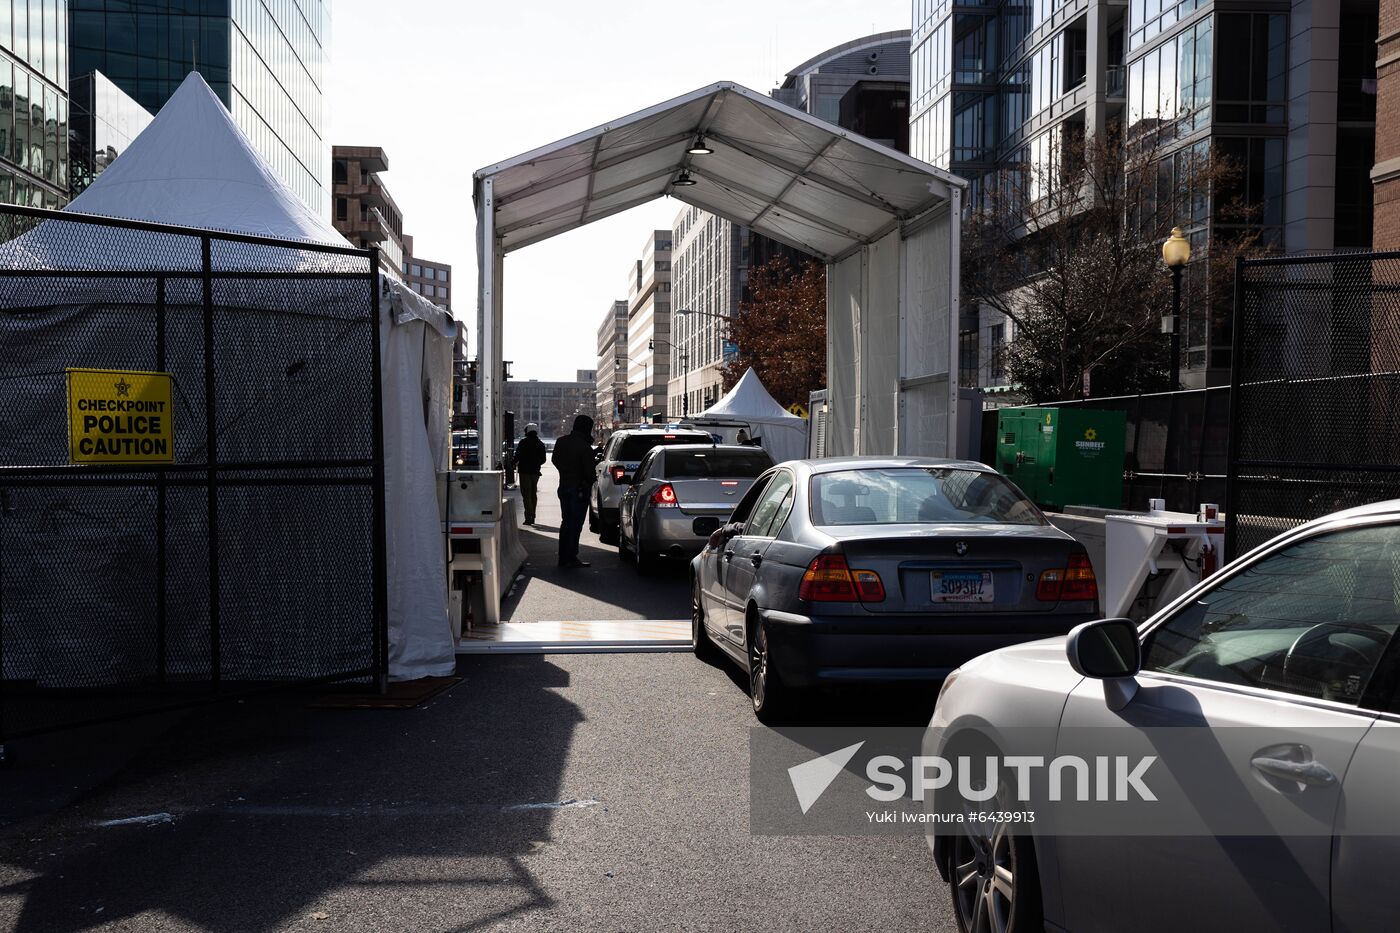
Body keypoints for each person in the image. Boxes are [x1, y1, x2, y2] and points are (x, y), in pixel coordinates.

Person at [551, 414, 596, 568]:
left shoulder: (561, 442)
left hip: (564, 486)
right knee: (575, 524)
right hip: (579, 490)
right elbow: (589, 472)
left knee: (566, 522)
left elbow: (555, 460)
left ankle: (564, 556)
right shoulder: (585, 447)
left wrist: (566, 472)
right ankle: (570, 556)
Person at [514, 423, 546, 526]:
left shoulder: (523, 442)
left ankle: (529, 516)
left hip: (524, 472)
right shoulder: (540, 443)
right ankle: (533, 515)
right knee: (533, 494)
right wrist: (536, 464)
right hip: (535, 472)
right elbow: (543, 459)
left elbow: (517, 455)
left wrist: (512, 463)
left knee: (526, 494)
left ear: (527, 431)